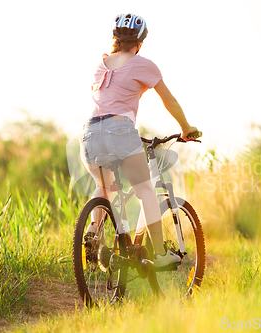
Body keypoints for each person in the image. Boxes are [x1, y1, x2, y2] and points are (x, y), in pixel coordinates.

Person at [80, 13, 198, 268]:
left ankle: (92, 231)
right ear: (140, 42)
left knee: (105, 186)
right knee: (145, 190)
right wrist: (186, 128)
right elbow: (170, 100)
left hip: (89, 133)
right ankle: (160, 254)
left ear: (115, 38)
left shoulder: (100, 64)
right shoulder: (143, 64)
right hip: (119, 130)